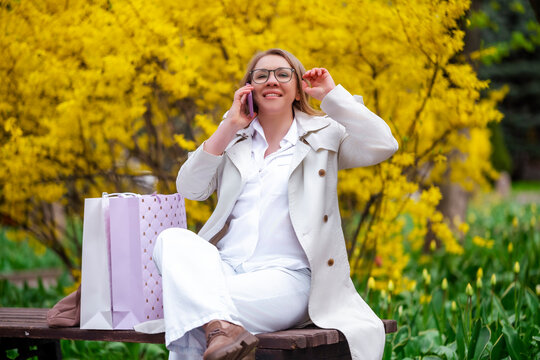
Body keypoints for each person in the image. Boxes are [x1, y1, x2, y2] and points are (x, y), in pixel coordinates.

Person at [152, 48, 399, 360]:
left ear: (297, 89)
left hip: (289, 277)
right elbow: (189, 188)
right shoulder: (234, 140)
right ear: (249, 89)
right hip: (226, 270)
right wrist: (229, 125)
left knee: (193, 309)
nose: (272, 80)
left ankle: (218, 329)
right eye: (261, 75)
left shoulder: (324, 135)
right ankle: (221, 331)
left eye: (283, 74)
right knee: (171, 239)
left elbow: (383, 144)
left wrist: (332, 95)